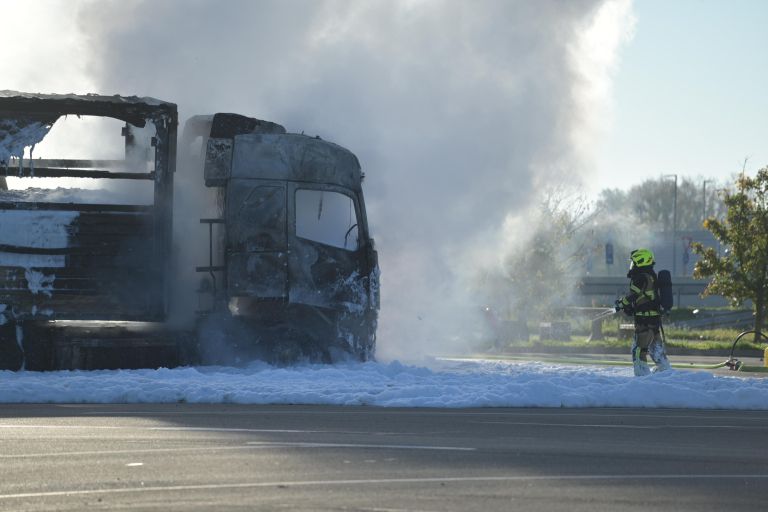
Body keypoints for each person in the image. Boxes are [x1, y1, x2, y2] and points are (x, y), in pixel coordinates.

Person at [614, 248, 671, 376]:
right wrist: (629, 307)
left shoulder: (640, 277)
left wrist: (621, 304)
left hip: (644, 321)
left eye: (633, 263)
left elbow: (633, 296)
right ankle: (666, 373)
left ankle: (642, 376)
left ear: (641, 261)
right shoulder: (650, 275)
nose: (632, 266)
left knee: (639, 350)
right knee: (656, 349)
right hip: (654, 320)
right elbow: (643, 298)